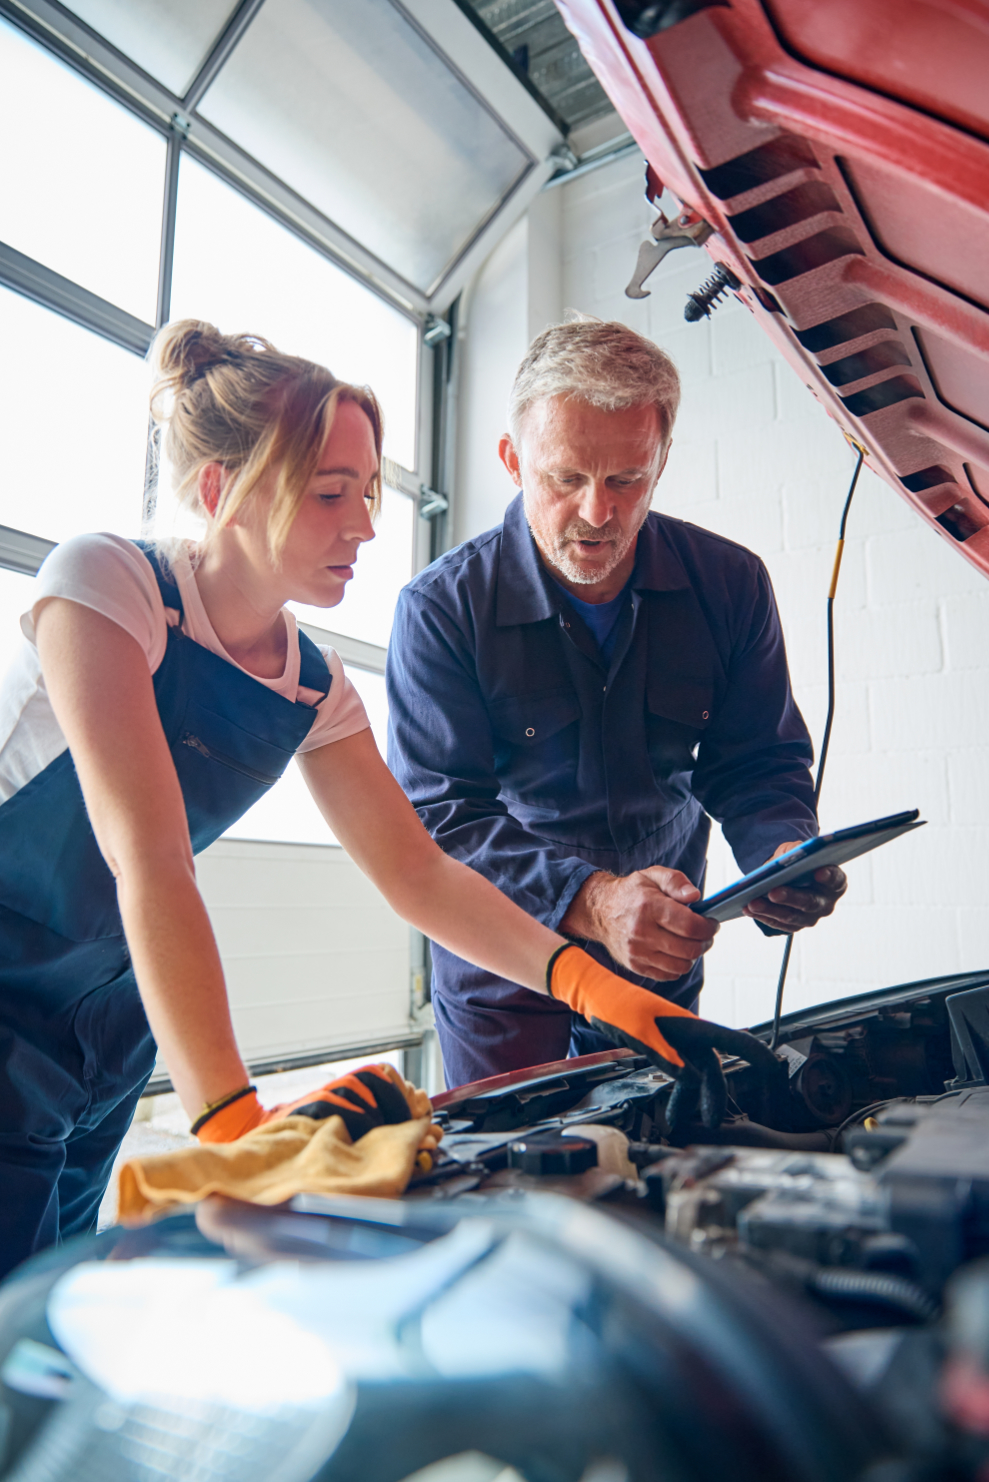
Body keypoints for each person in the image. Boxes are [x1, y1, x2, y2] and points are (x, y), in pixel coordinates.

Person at [0, 318, 771, 1280]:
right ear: (218, 490)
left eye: (366, 492)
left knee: (49, 1302)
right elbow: (146, 856)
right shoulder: (106, 583)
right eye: (331, 494)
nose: (365, 524)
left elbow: (420, 872)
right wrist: (233, 1121)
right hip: (9, 984)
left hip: (103, 1026)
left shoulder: (315, 686)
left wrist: (590, 986)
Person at [387, 317, 847, 1087]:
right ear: (512, 460)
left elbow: (757, 761)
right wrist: (592, 903)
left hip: (657, 949)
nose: (597, 512)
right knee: (513, 1182)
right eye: (565, 478)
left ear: (661, 461)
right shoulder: (440, 610)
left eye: (625, 480)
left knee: (656, 1161)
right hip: (506, 964)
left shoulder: (729, 585)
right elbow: (439, 817)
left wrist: (776, 858)